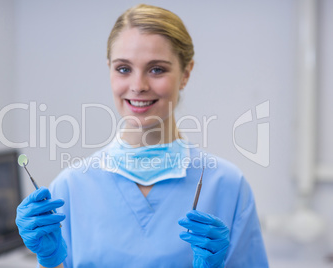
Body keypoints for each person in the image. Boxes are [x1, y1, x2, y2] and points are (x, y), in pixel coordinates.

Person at [16, 4, 269, 268]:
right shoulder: (68, 188)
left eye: (156, 69)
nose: (138, 86)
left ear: (186, 74)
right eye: (124, 69)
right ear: (109, 70)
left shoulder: (227, 186)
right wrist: (50, 261)